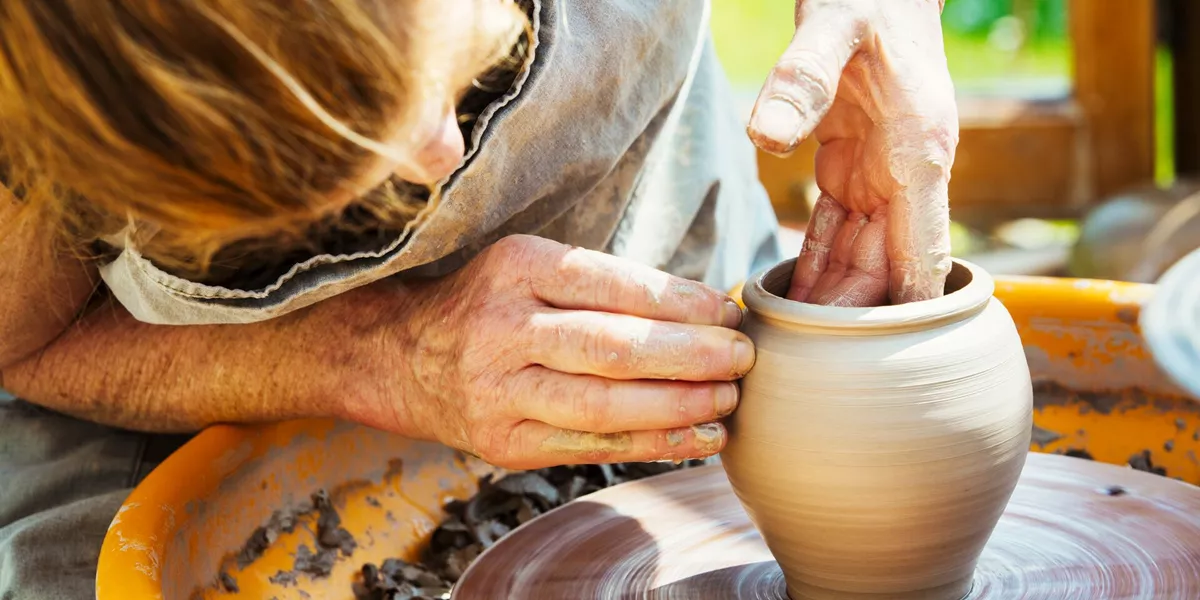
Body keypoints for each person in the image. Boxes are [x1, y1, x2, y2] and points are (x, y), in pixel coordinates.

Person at [0, 0, 957, 597]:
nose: (440, 160)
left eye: (456, 79)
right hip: (176, 370)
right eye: (328, 177)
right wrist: (381, 351)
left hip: (636, 207)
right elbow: (23, 344)